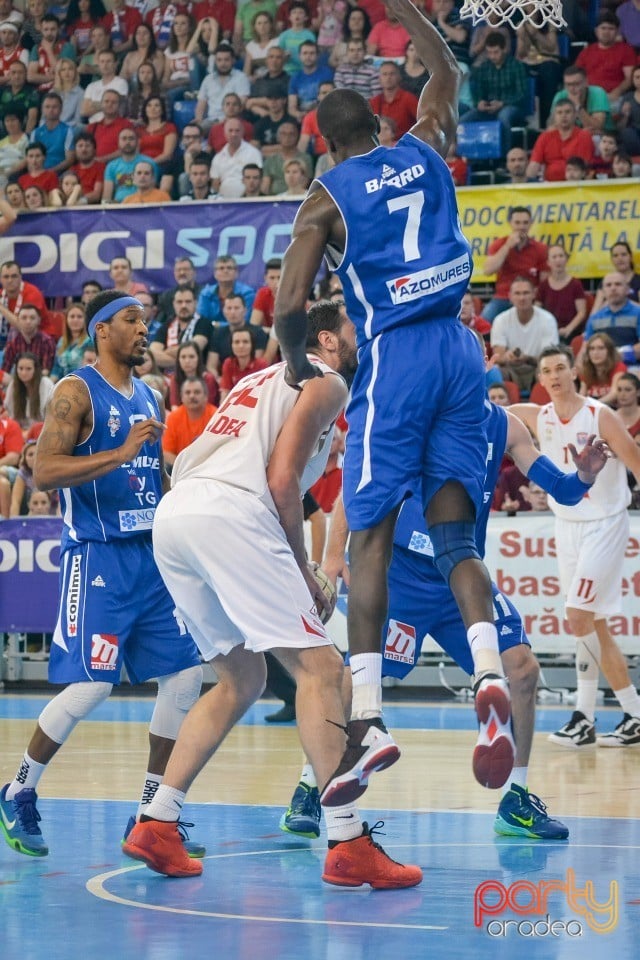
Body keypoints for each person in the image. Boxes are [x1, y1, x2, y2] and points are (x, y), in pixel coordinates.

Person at [274, 0, 516, 800]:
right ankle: (486, 671)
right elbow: (447, 70)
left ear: (323, 141)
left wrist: (292, 366)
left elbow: (287, 306)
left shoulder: (327, 197)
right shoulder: (424, 144)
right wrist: (406, 10)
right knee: (455, 534)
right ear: (380, 120)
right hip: (461, 350)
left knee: (370, 534)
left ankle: (370, 720)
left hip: (400, 360)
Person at [123, 299, 422, 889]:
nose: (362, 340)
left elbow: (207, 459)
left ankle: (156, 820)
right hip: (232, 512)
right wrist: (304, 567)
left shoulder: (258, 378)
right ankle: (345, 838)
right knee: (322, 667)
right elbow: (281, 480)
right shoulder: (328, 380)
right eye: (354, 331)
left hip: (178, 515)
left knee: (242, 679)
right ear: (329, 342)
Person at [281, 400, 608, 840]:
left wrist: (584, 475)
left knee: (523, 670)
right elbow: (359, 483)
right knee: (350, 682)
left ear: (483, 363)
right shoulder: (416, 411)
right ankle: (310, 785)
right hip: (403, 574)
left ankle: (516, 797)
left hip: (462, 575)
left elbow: (561, 489)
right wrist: (334, 554)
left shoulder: (505, 426)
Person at [0, 290, 205, 859]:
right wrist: (115, 454)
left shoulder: (149, 394)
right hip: (97, 558)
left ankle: (150, 814)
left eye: (146, 320)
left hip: (150, 560)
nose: (144, 330)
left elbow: (152, 482)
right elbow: (42, 470)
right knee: (92, 685)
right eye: (132, 321)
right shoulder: (74, 391)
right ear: (101, 331)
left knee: (187, 678)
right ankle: (18, 790)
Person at [510, 346, 640, 749]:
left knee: (577, 614)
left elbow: (636, 461)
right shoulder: (537, 415)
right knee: (592, 623)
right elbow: (485, 412)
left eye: (561, 367)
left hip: (604, 524)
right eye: (546, 369)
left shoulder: (601, 416)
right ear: (541, 378)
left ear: (574, 372)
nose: (554, 375)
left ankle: (583, 717)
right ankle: (634, 714)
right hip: (566, 526)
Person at [482, 206, 549, 323]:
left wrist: (537, 301)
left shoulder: (540, 248)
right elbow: (488, 270)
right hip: (503, 297)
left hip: (529, 298)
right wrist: (507, 246)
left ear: (530, 224)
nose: (521, 227)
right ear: (510, 223)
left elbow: (544, 282)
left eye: (525, 223)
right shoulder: (499, 244)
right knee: (485, 320)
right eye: (517, 223)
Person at [525, 100, 594, 183]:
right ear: (554, 117)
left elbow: (585, 167)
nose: (563, 116)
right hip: (550, 186)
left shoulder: (584, 136)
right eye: (559, 113)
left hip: (576, 185)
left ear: (575, 115)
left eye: (567, 112)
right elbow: (534, 165)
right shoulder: (545, 137)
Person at [536, 244, 587, 344]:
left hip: (571, 333)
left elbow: (582, 312)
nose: (558, 260)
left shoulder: (576, 284)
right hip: (548, 333)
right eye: (554, 257)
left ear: (566, 259)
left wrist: (568, 329)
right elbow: (536, 311)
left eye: (561, 256)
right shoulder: (543, 286)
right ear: (548, 262)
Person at [162, 375, 216, 466]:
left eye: (197, 392)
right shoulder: (173, 418)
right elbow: (167, 453)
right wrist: (186, 468)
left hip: (210, 467)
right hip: (182, 469)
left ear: (206, 396)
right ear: (182, 397)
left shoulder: (216, 416)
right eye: (187, 392)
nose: (192, 396)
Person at [578, 332, 626, 405]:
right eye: (592, 349)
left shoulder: (619, 367)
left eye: (601, 348)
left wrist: (593, 405)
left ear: (609, 351)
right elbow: (582, 395)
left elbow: (614, 393)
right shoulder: (586, 369)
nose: (595, 353)